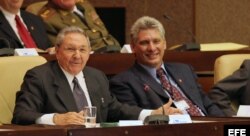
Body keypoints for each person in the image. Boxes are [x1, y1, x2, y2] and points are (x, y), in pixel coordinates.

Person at [12, 26, 182, 125]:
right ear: (57, 52)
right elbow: (21, 114)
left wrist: (152, 114)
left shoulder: (96, 76)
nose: (77, 56)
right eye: (71, 49)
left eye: (83, 50)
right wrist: (56, 119)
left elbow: (116, 110)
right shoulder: (39, 77)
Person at [109, 16, 225, 117]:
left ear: (164, 44)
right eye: (144, 43)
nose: (152, 48)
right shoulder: (123, 82)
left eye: (156, 41)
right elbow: (134, 122)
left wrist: (227, 125)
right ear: (133, 47)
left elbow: (208, 105)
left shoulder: (184, 70)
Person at [34, 0, 120, 53]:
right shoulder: (47, 19)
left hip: (114, 50)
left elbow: (103, 34)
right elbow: (61, 51)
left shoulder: (85, 4)